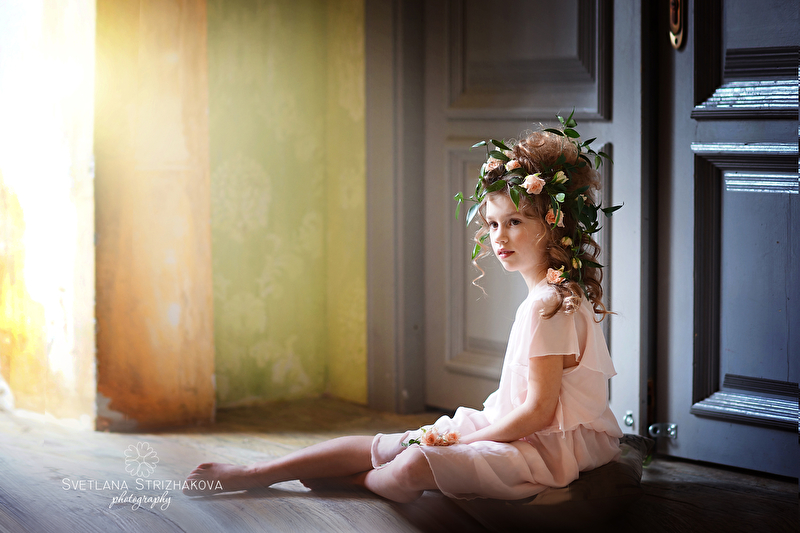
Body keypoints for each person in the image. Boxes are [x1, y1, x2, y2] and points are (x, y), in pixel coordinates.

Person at [184, 114, 623, 503]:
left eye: (514, 222)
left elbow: (539, 413)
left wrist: (463, 445)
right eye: (492, 223)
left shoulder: (549, 305)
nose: (499, 237)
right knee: (404, 441)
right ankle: (255, 473)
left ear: (552, 225)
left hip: (547, 448)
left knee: (415, 461)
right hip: (516, 424)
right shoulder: (550, 293)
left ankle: (357, 481)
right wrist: (456, 437)